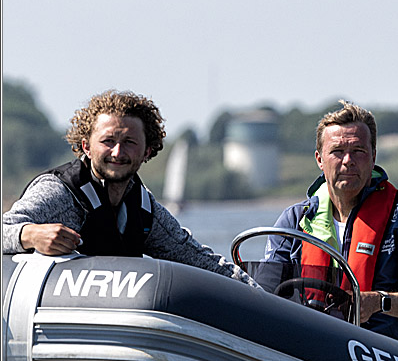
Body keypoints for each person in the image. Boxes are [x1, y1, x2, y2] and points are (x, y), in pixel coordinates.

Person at [1, 89, 258, 288]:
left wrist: (258, 294)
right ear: (86, 147)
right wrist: (29, 234)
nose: (117, 152)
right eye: (108, 141)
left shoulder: (144, 209)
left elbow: (194, 256)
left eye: (129, 142)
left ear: (147, 151)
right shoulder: (58, 193)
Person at [263, 100, 398, 348]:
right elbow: (264, 292)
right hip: (308, 346)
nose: (348, 160)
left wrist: (377, 302)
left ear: (373, 157)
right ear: (320, 159)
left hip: (383, 353)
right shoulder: (294, 221)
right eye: (337, 151)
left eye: (358, 151)